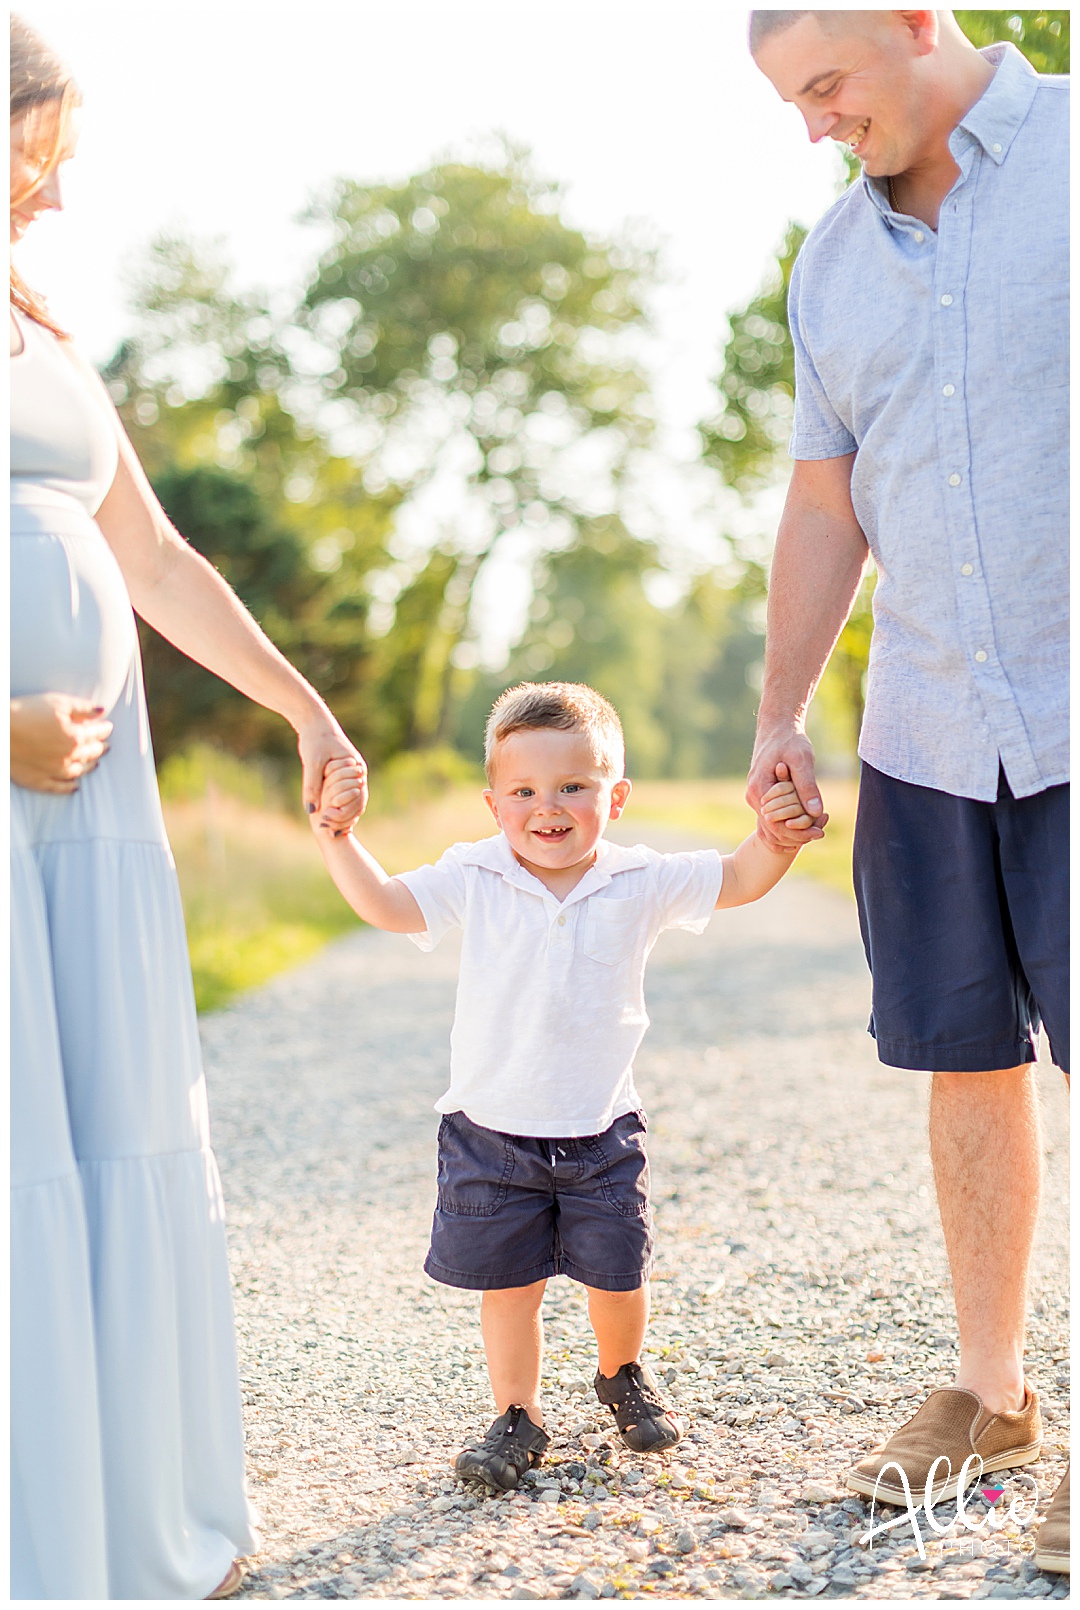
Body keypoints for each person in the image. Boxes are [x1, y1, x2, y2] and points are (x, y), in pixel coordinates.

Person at [10, 16, 365, 1599]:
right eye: (41, 154)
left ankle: (147, 1519)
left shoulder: (41, 324)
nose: (58, 199)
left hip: (92, 811)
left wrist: (301, 702)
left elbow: (151, 560)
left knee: (122, 1132)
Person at [745, 9, 1068, 1573]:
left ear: (918, 21)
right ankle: (996, 1399)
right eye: (790, 101)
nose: (813, 124)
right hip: (933, 727)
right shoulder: (829, 266)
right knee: (964, 1058)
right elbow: (825, 498)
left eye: (826, 85)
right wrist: (780, 715)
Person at [308, 680, 809, 1486]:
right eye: (525, 790)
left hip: (601, 1129)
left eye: (574, 786)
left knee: (618, 1274)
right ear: (493, 802)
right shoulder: (474, 874)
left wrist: (777, 837)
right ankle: (518, 1415)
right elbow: (385, 903)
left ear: (616, 796)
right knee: (509, 1287)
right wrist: (338, 838)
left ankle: (623, 1374)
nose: (550, 806)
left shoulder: (637, 879)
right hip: (490, 1133)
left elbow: (741, 876)